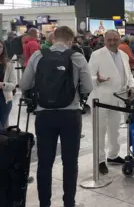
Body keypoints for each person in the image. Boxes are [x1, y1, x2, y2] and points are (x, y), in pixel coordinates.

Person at [19, 26, 93, 207]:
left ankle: (44, 203)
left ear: (53, 39)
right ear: (71, 40)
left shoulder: (38, 56)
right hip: (70, 115)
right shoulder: (77, 57)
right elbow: (88, 87)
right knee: (70, 162)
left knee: (45, 161)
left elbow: (24, 83)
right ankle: (69, 202)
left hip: (44, 115)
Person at [88, 30, 134, 174]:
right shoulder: (97, 55)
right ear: (104, 40)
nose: (113, 42)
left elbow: (128, 75)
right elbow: (88, 77)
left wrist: (132, 86)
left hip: (118, 99)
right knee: (100, 131)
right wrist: (97, 79)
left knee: (114, 130)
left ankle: (113, 155)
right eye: (109, 40)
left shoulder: (124, 55)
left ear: (120, 39)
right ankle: (100, 160)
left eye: (115, 39)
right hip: (100, 99)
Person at [0, 40, 16, 130]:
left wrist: (3, 84)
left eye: (0, 47)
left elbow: (13, 84)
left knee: (3, 125)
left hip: (4, 99)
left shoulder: (8, 64)